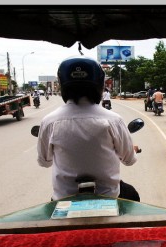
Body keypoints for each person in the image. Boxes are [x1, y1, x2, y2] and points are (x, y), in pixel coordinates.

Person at [36, 56, 140, 201]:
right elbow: (129, 160)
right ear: (99, 85)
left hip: (64, 198)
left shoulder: (49, 121)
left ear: (62, 85)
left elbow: (44, 162)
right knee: (132, 194)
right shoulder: (114, 120)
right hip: (108, 197)